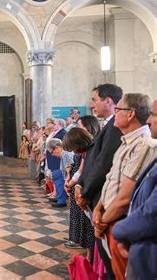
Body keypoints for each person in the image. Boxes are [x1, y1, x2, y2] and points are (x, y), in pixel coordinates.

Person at [92, 93, 155, 280]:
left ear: (130, 114)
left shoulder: (144, 145)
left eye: (118, 109)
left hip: (119, 221)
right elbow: (113, 180)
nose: (115, 113)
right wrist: (98, 207)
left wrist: (102, 221)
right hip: (108, 217)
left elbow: (125, 197)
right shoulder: (125, 140)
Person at [75, 84, 123, 277]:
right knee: (104, 253)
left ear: (108, 101)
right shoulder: (109, 125)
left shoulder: (115, 127)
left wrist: (85, 193)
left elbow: (103, 164)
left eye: (95, 100)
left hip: (103, 200)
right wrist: (80, 184)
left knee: (110, 258)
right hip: (96, 197)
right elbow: (93, 160)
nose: (92, 105)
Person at [113, 99, 157, 279]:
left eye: (154, 115)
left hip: (149, 256)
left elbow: (152, 212)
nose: (148, 120)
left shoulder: (145, 144)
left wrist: (120, 231)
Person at [62, 127, 97, 257]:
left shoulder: (93, 151)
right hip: (84, 191)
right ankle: (89, 255)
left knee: (90, 228)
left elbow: (92, 174)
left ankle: (90, 257)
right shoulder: (86, 152)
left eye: (73, 148)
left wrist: (81, 189)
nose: (74, 152)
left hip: (91, 194)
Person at [46, 118, 67, 207]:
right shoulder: (55, 133)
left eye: (55, 124)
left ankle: (61, 201)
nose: (53, 125)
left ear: (60, 125)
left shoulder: (63, 133)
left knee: (59, 180)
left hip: (58, 160)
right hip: (53, 160)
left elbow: (60, 147)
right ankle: (59, 198)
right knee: (56, 180)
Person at [47, 137, 74, 208]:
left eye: (51, 152)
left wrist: (67, 184)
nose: (52, 155)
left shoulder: (65, 154)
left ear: (57, 148)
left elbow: (69, 172)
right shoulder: (63, 154)